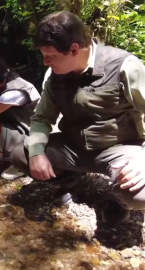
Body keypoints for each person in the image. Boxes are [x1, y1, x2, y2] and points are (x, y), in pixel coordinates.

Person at [10, 10, 145, 225]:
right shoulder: (53, 75)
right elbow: (42, 118)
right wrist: (36, 154)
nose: (45, 62)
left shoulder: (125, 67)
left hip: (119, 148)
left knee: (140, 194)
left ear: (74, 49)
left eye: (50, 56)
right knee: (20, 153)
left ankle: (120, 202)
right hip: (73, 147)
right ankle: (72, 180)